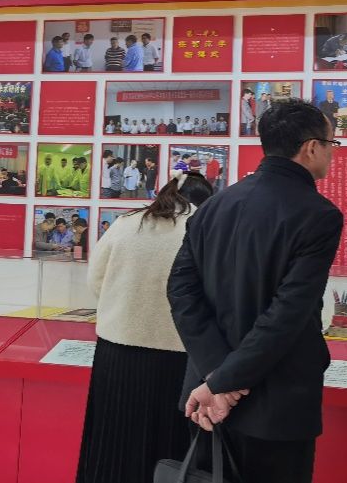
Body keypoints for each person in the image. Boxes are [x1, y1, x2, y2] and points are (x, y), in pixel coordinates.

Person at [168, 99, 343, 483]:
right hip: (276, 399)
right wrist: (224, 382)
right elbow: (287, 313)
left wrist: (216, 375)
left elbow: (181, 292)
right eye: (332, 143)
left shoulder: (214, 205)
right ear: (311, 147)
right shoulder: (319, 215)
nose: (333, 153)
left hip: (208, 398)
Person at [77, 170, 216, 483]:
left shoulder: (126, 222)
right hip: (179, 355)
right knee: (168, 445)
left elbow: (96, 280)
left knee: (113, 440)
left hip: (117, 350)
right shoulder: (203, 227)